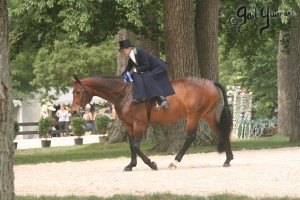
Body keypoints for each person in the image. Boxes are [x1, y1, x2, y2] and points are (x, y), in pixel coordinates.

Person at [119, 39, 175, 109]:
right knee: (135, 75)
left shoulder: (140, 51)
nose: (123, 53)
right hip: (151, 69)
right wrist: (120, 77)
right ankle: (140, 96)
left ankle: (164, 101)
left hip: (158, 67)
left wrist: (137, 69)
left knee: (147, 77)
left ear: (128, 48)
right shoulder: (131, 59)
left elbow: (147, 65)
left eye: (123, 51)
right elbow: (127, 69)